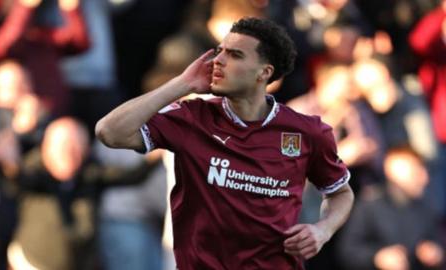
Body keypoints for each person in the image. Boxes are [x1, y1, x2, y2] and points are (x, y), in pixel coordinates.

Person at [96, 17, 354, 269]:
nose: (218, 60)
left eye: (235, 55)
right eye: (219, 51)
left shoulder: (307, 131)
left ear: (264, 73)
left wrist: (323, 230)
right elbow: (109, 132)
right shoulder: (192, 117)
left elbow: (340, 192)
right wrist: (182, 84)